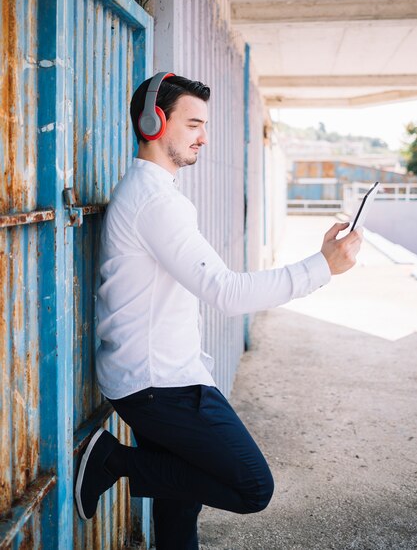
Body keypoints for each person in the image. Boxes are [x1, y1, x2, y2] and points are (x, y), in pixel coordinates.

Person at [74, 73, 363, 549]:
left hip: (160, 379)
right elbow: (225, 292)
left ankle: (119, 465)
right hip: (159, 387)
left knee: (178, 513)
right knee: (253, 486)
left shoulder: (155, 195)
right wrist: (321, 268)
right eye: (193, 124)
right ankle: (113, 461)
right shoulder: (155, 202)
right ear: (153, 123)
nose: (204, 137)